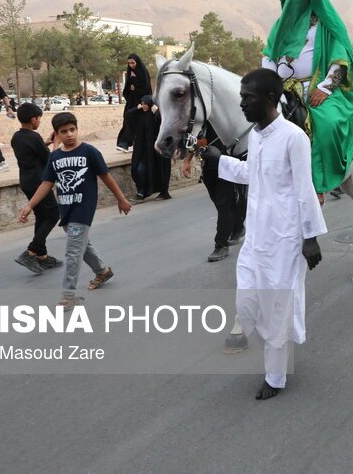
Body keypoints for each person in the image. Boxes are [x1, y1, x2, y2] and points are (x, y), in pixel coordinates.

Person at [201, 69, 326, 400]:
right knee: (248, 303)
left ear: (270, 99)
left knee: (276, 308)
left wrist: (310, 237)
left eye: (247, 97)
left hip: (286, 239)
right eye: (241, 96)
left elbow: (304, 188)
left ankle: (275, 375)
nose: (241, 103)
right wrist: (220, 162)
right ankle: (274, 352)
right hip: (257, 237)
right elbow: (252, 173)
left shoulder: (293, 137)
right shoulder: (255, 136)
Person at [260, 0, 353, 201]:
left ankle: (319, 183)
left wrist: (325, 87)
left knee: (327, 123)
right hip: (281, 88)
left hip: (316, 88)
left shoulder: (325, 25)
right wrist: (269, 79)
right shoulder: (280, 25)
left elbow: (340, 58)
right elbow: (269, 55)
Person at [18, 112, 131, 307]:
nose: (69, 134)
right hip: (66, 208)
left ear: (77, 129)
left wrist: (121, 199)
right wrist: (30, 205)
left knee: (72, 251)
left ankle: (68, 295)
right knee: (81, 245)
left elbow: (106, 176)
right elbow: (46, 183)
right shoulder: (55, 157)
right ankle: (103, 271)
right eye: (64, 131)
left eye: (72, 129)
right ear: (56, 134)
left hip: (83, 208)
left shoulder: (89, 152)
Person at [11, 102, 62, 275]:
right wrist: (56, 144)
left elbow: (32, 153)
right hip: (39, 183)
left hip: (26, 181)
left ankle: (42, 256)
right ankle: (31, 251)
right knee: (53, 214)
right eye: (39, 118)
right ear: (34, 119)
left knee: (41, 216)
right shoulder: (34, 137)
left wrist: (46, 142)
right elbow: (50, 159)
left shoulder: (17, 137)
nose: (39, 121)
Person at [182, 128, 248, 262]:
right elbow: (194, 140)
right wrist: (187, 160)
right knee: (221, 204)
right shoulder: (200, 122)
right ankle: (238, 226)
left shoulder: (221, 120)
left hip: (225, 166)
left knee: (224, 204)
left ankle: (221, 245)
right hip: (208, 166)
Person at [128, 95, 172, 202]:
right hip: (143, 150)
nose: (143, 106)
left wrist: (157, 112)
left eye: (145, 104)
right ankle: (141, 191)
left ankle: (157, 192)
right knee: (137, 169)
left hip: (157, 150)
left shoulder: (156, 115)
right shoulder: (141, 116)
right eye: (142, 104)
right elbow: (128, 115)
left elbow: (167, 122)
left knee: (160, 171)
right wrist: (137, 108)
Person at [115, 53, 152, 152]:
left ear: (137, 62)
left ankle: (137, 144)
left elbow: (146, 88)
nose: (131, 65)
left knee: (140, 124)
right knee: (128, 119)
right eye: (129, 63)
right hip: (131, 102)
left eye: (133, 63)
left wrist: (135, 84)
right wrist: (131, 87)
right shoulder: (130, 73)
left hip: (143, 104)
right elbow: (126, 90)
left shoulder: (143, 73)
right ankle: (124, 143)